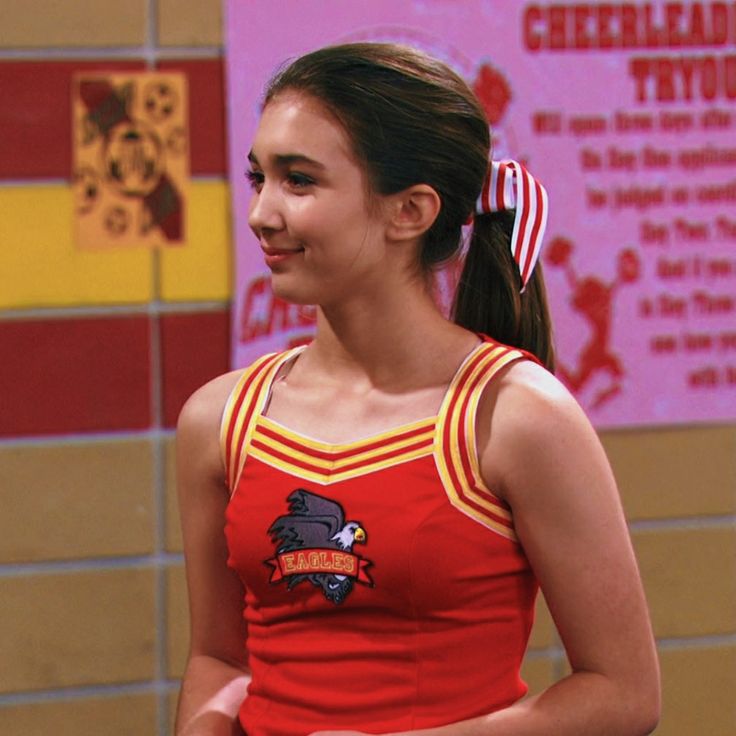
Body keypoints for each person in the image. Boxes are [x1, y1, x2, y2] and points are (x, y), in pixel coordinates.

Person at [174, 43, 660, 736]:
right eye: (260, 178)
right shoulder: (221, 419)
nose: (261, 213)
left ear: (410, 211)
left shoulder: (515, 415)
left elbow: (623, 694)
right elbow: (218, 657)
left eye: (300, 181)